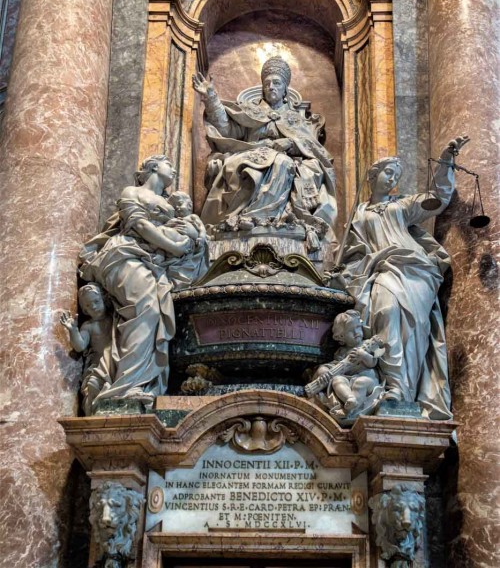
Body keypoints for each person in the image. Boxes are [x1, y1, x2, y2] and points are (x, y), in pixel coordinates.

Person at [327, 136, 469, 420]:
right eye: (388, 172)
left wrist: (445, 162)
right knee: (386, 312)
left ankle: (401, 392)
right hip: (380, 269)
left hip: (415, 269)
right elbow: (352, 252)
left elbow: (438, 198)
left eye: (396, 175)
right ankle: (394, 387)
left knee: (412, 333)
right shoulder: (358, 214)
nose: (392, 178)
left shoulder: (403, 205)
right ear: (373, 176)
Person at [78, 155, 193, 409]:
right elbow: (138, 224)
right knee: (148, 310)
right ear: (153, 168)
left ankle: (138, 384)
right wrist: (173, 246)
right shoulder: (132, 191)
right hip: (124, 255)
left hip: (152, 262)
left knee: (153, 313)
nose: (173, 168)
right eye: (168, 164)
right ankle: (126, 387)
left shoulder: (167, 202)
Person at [192, 55, 337, 250]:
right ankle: (250, 218)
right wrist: (211, 99)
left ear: (285, 87)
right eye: (267, 83)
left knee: (283, 163)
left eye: (276, 82)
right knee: (258, 164)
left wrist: (291, 143)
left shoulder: (295, 119)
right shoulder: (251, 113)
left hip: (286, 161)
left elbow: (315, 150)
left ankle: (263, 219)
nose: (271, 86)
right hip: (250, 156)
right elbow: (227, 131)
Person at [306, 310, 385, 420]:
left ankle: (351, 409)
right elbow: (336, 367)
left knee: (360, 383)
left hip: (367, 379)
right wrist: (324, 372)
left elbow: (373, 362)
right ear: (341, 338)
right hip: (348, 380)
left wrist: (363, 355)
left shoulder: (366, 344)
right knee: (337, 380)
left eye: (358, 327)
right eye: (351, 331)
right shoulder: (341, 352)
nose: (357, 332)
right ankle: (350, 398)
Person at [60, 283, 112, 416]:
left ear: (104, 298)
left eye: (96, 301)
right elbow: (80, 346)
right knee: (93, 387)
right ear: (84, 309)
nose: (93, 307)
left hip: (115, 365)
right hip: (98, 367)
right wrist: (73, 331)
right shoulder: (88, 326)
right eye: (88, 305)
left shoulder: (115, 319)